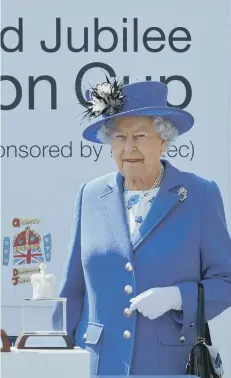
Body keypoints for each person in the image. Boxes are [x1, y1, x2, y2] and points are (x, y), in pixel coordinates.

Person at [52, 79, 231, 376]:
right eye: (120, 137)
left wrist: (176, 296)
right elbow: (73, 289)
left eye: (140, 135)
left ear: (163, 140)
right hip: (98, 365)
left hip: (166, 366)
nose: (129, 147)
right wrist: (58, 356)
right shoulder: (90, 195)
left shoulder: (199, 195)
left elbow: (226, 281)